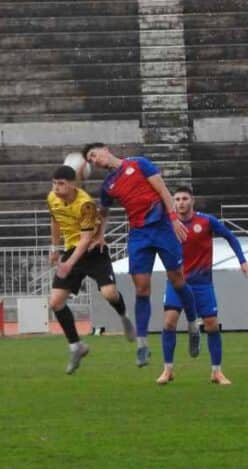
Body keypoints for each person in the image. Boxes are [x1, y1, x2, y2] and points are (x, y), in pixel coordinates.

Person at [83, 142, 200, 367]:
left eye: (94, 155)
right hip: (139, 235)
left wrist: (174, 219)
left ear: (106, 149)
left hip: (163, 228)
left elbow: (163, 190)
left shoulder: (139, 164)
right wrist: (100, 235)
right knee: (142, 289)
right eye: (90, 160)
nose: (94, 161)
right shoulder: (108, 185)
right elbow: (104, 212)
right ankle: (142, 345)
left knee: (178, 281)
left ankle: (194, 324)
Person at [156, 186, 248, 385]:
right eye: (177, 199)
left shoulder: (206, 221)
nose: (181, 202)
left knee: (211, 325)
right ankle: (168, 370)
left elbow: (230, 237)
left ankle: (216, 372)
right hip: (177, 282)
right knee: (169, 323)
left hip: (202, 283)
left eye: (185, 198)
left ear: (192, 201)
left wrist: (243, 261)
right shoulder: (168, 223)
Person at [47, 165, 136, 374]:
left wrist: (69, 264)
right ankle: (76, 346)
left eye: (61, 184)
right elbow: (55, 220)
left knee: (109, 293)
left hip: (93, 250)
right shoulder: (52, 198)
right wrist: (54, 248)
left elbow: (86, 239)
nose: (56, 188)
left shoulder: (85, 204)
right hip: (72, 250)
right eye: (54, 183)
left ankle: (124, 316)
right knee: (56, 303)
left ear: (73, 185)